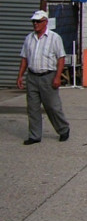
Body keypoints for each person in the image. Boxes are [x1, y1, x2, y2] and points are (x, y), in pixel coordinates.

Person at [17, 10, 70, 145]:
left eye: (38, 21)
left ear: (45, 22)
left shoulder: (54, 38)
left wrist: (58, 77)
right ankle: (34, 135)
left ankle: (63, 129)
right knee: (32, 107)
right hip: (32, 76)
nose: (35, 24)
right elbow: (24, 58)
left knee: (52, 106)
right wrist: (20, 76)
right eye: (33, 21)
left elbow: (61, 58)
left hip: (48, 76)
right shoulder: (29, 38)